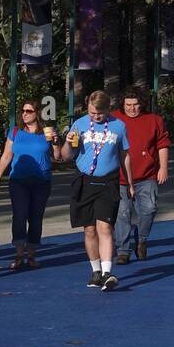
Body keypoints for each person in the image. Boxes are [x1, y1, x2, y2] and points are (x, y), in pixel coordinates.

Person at [59, 90, 132, 291]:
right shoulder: (79, 124)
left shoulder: (119, 126)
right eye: (92, 113)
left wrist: (130, 183)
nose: (95, 117)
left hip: (108, 182)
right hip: (84, 181)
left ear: (107, 109)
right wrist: (68, 141)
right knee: (89, 230)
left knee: (105, 227)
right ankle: (96, 271)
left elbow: (125, 155)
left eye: (99, 113)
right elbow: (66, 157)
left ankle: (108, 272)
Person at [0, 99, 62, 271]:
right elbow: (6, 156)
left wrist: (55, 143)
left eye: (29, 111)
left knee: (35, 216)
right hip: (18, 180)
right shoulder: (16, 132)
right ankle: (19, 253)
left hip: (41, 181)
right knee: (19, 214)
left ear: (37, 113)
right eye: (23, 111)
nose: (25, 114)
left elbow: (57, 157)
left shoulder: (46, 133)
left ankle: (31, 254)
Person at [112, 87, 171, 265]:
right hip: (119, 176)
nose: (132, 108)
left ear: (142, 104)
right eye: (128, 104)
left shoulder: (154, 120)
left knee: (149, 209)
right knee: (122, 213)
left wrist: (163, 167)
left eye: (135, 104)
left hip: (147, 175)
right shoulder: (113, 119)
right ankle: (123, 250)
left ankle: (142, 239)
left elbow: (162, 144)